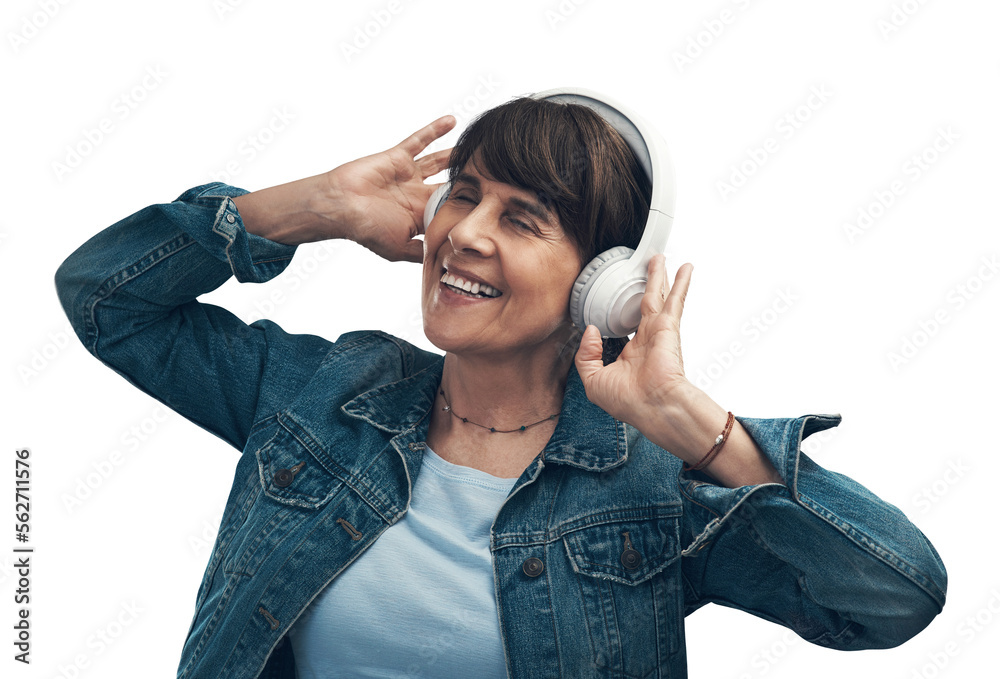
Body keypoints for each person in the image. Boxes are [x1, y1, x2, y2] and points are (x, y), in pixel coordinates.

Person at [54, 92, 946, 679]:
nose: (465, 233)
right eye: (463, 196)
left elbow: (891, 596)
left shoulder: (655, 489)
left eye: (521, 218)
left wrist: (692, 424)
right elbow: (107, 298)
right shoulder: (321, 390)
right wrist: (312, 206)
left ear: (606, 280)